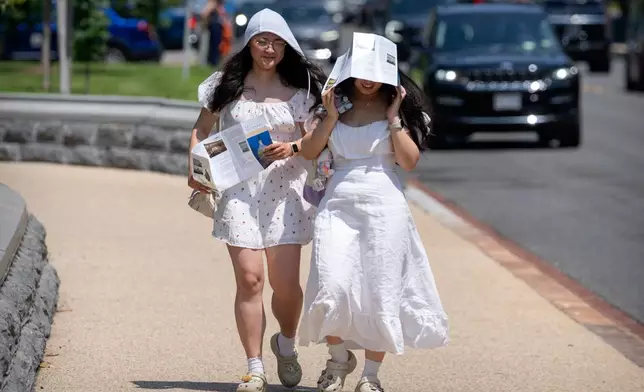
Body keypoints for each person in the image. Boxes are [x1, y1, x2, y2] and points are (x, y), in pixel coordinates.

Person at [187, 8, 326, 392]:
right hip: (239, 194)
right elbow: (201, 130)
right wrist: (195, 168)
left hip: (285, 195)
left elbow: (315, 144)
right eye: (263, 42)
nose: (270, 49)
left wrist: (293, 147)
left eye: (278, 43)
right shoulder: (224, 85)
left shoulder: (301, 92)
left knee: (286, 287)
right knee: (250, 280)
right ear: (249, 43)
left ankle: (286, 341)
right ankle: (254, 368)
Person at [297, 68, 449, 390]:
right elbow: (309, 152)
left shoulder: (398, 105)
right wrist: (331, 116)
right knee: (332, 283)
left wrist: (394, 117)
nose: (369, 80)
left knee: (380, 289)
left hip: (384, 204)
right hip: (338, 200)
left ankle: (370, 377)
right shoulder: (334, 103)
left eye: (376, 73)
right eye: (363, 72)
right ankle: (338, 359)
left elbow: (409, 161)